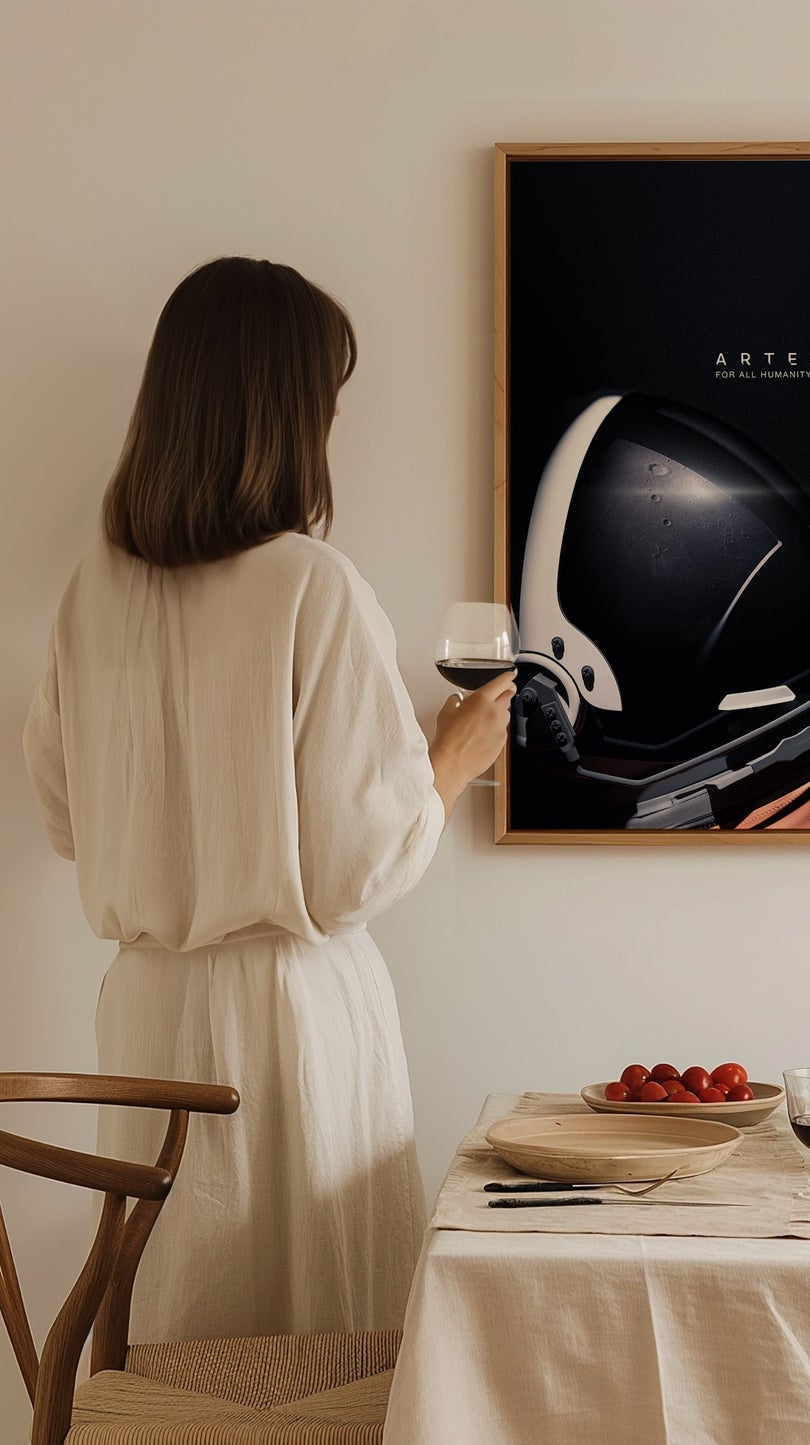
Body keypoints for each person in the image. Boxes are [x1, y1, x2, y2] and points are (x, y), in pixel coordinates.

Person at [21, 256, 513, 1342]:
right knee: (313, 1344)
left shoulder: (92, 590)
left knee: (177, 1329)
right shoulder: (310, 583)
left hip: (146, 1010)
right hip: (289, 1019)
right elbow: (352, 871)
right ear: (287, 413)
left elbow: (65, 817)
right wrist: (450, 758)